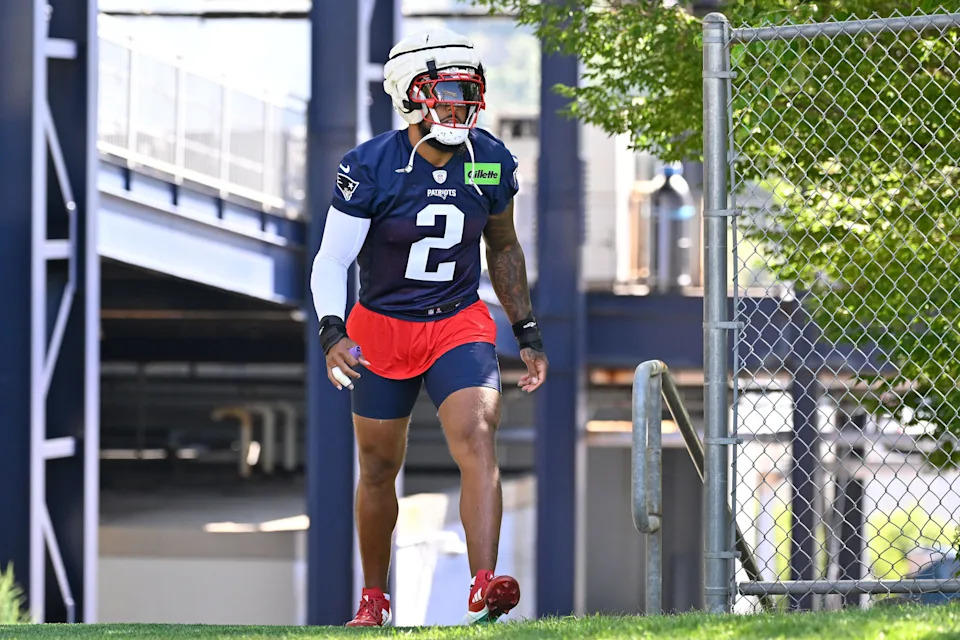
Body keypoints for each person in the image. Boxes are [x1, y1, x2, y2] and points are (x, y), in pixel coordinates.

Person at [309, 27, 549, 627]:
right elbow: (331, 259)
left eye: (469, 93)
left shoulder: (490, 160)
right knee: (378, 466)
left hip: (457, 321)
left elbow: (505, 247)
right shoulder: (369, 166)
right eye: (445, 93)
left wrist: (527, 331)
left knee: (477, 435)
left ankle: (483, 582)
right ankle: (374, 597)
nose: (459, 106)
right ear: (410, 95)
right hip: (383, 324)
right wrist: (333, 331)